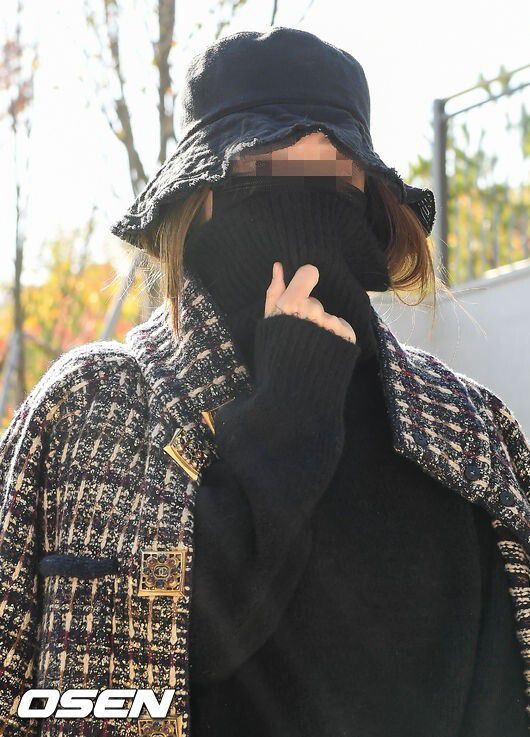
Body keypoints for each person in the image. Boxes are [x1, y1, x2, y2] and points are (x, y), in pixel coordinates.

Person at [1, 27, 529, 737]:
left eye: (333, 172)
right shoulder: (96, 409)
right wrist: (286, 425)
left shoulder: (469, 431)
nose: (301, 200)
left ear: (370, 198)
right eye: (262, 166)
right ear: (199, 200)